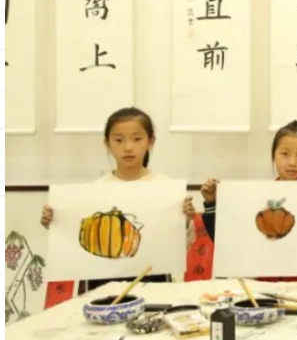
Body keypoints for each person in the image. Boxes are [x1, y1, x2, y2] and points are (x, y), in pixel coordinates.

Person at [41, 107, 196, 293]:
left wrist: (184, 221)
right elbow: (75, 241)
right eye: (119, 140)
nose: (128, 147)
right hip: (101, 287)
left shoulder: (166, 189)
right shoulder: (94, 192)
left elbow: (182, 246)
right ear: (107, 144)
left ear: (150, 141)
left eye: (137, 139)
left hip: (154, 284)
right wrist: (56, 223)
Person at [200, 120, 297, 282]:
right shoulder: (255, 199)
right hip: (263, 288)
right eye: (285, 154)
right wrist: (211, 203)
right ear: (274, 156)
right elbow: (225, 241)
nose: (292, 162)